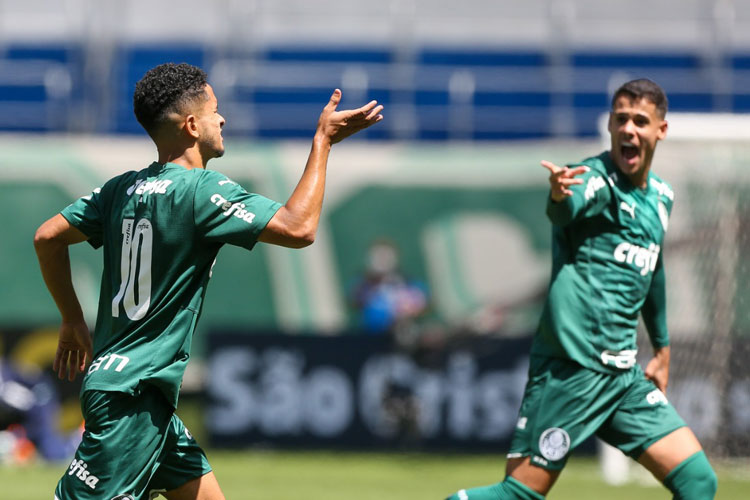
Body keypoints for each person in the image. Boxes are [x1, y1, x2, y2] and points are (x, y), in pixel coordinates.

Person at [34, 62, 382, 500]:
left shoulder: (119, 190)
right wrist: (323, 142)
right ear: (193, 125)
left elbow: (47, 237)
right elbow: (299, 227)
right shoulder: (200, 190)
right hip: (133, 398)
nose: (223, 119)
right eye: (216, 110)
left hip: (137, 394)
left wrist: (71, 319)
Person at [446, 79, 717, 499]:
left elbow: (653, 270)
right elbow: (567, 208)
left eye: (640, 121)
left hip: (623, 378)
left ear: (660, 130)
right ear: (609, 124)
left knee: (698, 480)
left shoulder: (661, 197)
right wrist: (558, 196)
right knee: (518, 495)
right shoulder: (593, 179)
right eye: (621, 118)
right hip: (571, 372)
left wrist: (661, 350)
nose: (628, 128)